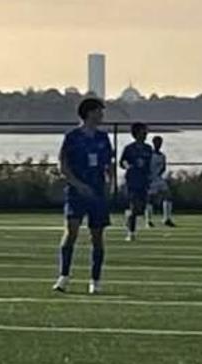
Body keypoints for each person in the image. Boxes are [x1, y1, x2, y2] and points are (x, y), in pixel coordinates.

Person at [52, 98, 113, 294]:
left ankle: (95, 280)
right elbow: (63, 165)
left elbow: (108, 164)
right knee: (71, 232)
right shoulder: (72, 137)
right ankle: (64, 276)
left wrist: (109, 184)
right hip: (76, 192)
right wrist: (77, 184)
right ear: (89, 113)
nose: (102, 115)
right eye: (98, 111)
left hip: (97, 192)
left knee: (97, 236)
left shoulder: (103, 138)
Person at [119, 122, 154, 241]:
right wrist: (128, 165)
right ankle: (131, 233)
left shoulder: (148, 148)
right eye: (143, 132)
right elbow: (122, 162)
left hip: (144, 181)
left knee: (141, 208)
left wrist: (150, 177)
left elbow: (149, 165)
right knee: (135, 206)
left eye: (146, 132)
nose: (145, 134)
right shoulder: (129, 148)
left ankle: (128, 217)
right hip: (133, 180)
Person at [146, 135, 175, 228]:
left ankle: (166, 218)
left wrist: (159, 174)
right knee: (149, 199)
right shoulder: (149, 154)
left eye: (160, 143)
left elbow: (163, 167)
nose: (158, 145)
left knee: (168, 195)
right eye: (157, 143)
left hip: (158, 178)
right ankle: (148, 221)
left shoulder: (162, 156)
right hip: (150, 179)